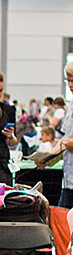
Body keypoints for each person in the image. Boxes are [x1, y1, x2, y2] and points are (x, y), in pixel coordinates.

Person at [53, 62, 73, 208]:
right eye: (68, 80)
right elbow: (65, 140)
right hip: (68, 180)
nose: (70, 84)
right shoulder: (70, 105)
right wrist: (47, 158)